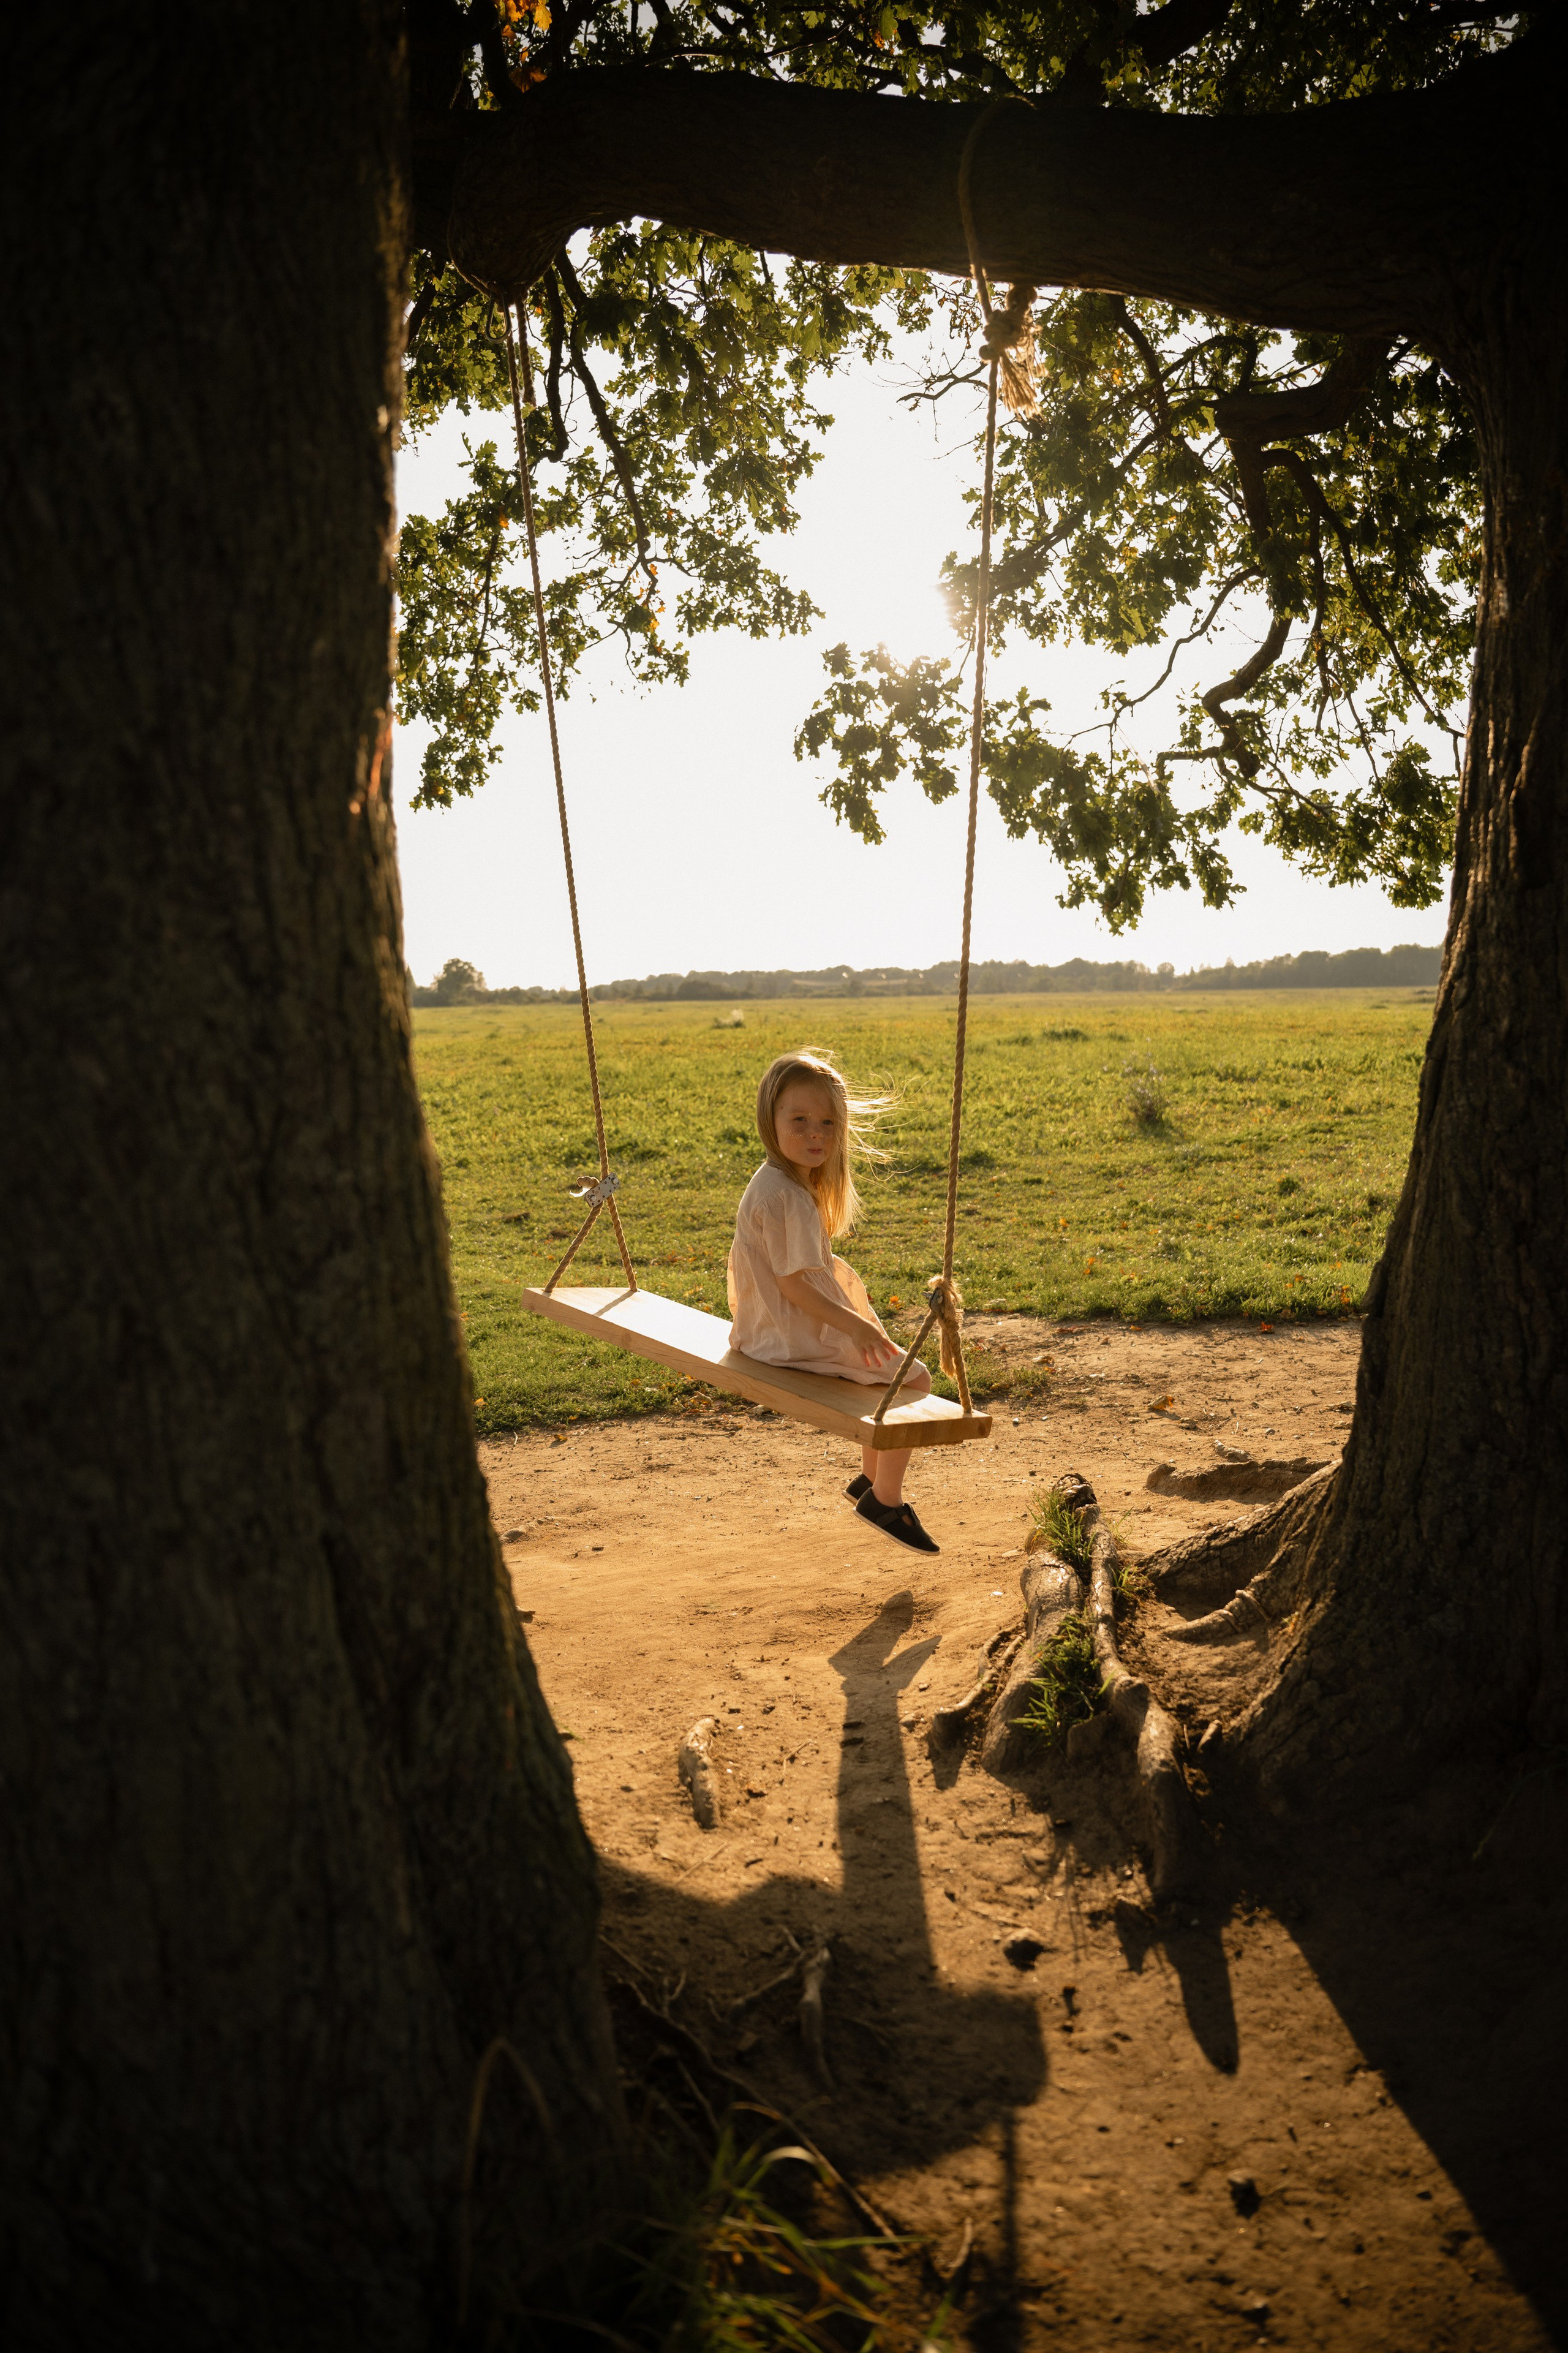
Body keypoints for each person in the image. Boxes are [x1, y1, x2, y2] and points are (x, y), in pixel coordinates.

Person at [728, 1049, 939, 1555]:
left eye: (827, 1122)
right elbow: (796, 1287)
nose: (815, 1133)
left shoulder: (773, 1181)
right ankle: (884, 1499)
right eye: (798, 1120)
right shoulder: (787, 1197)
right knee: (915, 1380)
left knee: (883, 1377)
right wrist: (854, 1326)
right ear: (770, 1118)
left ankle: (869, 1483)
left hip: (762, 1331)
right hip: (787, 1338)